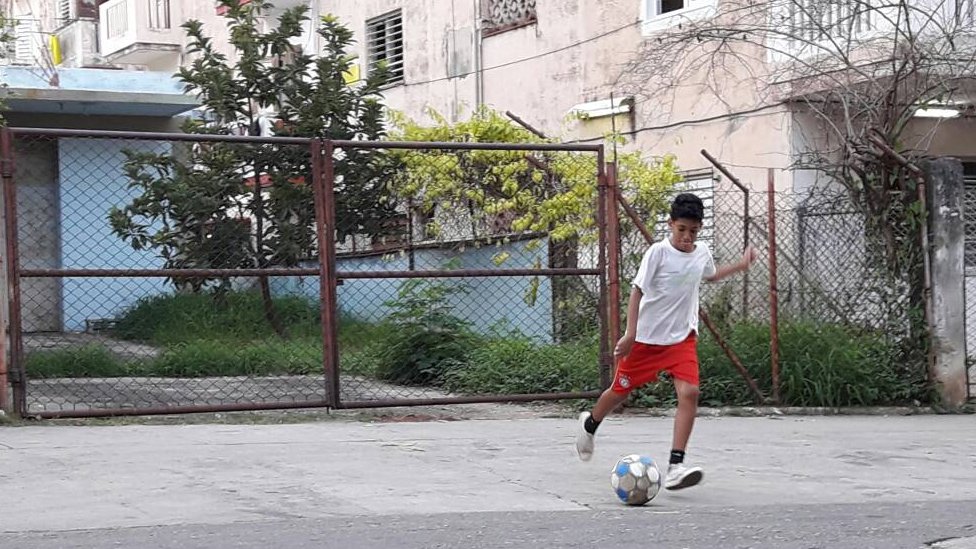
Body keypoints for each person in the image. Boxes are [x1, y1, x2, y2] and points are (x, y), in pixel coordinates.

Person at [575, 193, 757, 490]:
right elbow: (637, 291)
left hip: (681, 338)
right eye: (681, 229)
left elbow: (710, 275)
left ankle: (675, 466)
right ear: (671, 225)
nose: (687, 237)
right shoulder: (658, 253)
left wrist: (741, 264)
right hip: (646, 340)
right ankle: (590, 424)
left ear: (700, 230)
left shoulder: (701, 253)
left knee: (691, 392)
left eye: (693, 231)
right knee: (619, 393)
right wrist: (630, 334)